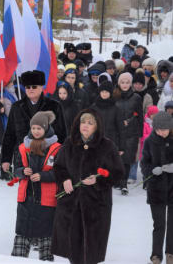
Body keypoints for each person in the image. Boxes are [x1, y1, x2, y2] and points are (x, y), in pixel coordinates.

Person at [51, 109, 124, 264]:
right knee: (73, 250)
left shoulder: (107, 146)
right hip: (71, 205)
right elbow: (58, 167)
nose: (85, 125)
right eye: (83, 122)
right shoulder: (70, 143)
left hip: (96, 207)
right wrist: (64, 180)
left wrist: (98, 181)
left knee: (91, 251)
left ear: (97, 126)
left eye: (90, 123)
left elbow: (118, 173)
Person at [11, 111, 60, 261]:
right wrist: (22, 171)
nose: (36, 131)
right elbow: (16, 170)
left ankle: (46, 259)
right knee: (22, 234)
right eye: (33, 128)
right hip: (26, 198)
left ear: (45, 128)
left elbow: (61, 172)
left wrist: (43, 176)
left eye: (39, 128)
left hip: (47, 200)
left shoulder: (57, 148)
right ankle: (17, 259)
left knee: (46, 237)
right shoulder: (22, 147)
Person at [1, 70, 67, 177]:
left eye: (34, 86)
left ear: (41, 87)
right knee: (26, 190)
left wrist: (62, 157)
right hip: (23, 158)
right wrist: (6, 159)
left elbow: (62, 133)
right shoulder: (17, 107)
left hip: (47, 157)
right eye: (28, 87)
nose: (31, 89)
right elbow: (9, 134)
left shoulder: (54, 106)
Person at [140, 111, 173, 264]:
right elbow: (144, 162)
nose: (161, 132)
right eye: (158, 129)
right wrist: (151, 170)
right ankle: (156, 255)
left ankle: (170, 253)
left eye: (164, 129)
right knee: (159, 224)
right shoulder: (149, 141)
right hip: (156, 190)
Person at [114, 72, 144, 195]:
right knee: (117, 158)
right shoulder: (114, 96)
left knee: (127, 159)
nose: (125, 84)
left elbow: (139, 116)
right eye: (122, 82)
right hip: (117, 133)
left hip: (131, 133)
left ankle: (124, 183)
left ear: (130, 83)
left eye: (127, 82)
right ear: (119, 83)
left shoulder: (136, 98)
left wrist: (139, 132)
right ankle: (117, 180)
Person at [90, 81, 124, 152]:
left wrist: (121, 147)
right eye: (102, 91)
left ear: (110, 93)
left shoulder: (115, 109)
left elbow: (120, 128)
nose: (104, 94)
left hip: (111, 142)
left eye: (106, 92)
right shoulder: (93, 108)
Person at [129, 106, 159, 184]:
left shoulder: (158, 123)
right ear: (149, 114)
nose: (154, 116)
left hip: (155, 148)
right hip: (144, 147)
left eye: (155, 114)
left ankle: (150, 178)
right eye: (152, 114)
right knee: (138, 162)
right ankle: (132, 176)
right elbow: (142, 136)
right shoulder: (145, 123)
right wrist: (152, 137)